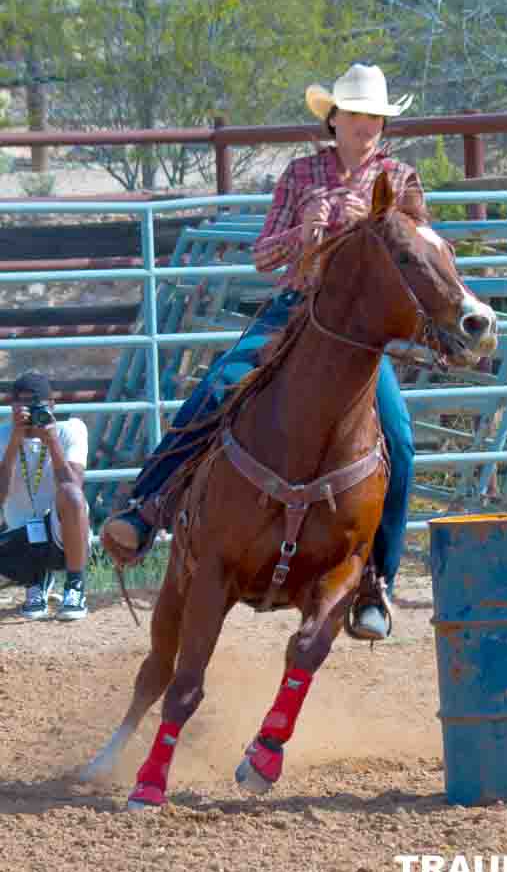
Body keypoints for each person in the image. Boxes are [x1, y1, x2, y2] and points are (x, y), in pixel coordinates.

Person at [103, 63, 423, 640]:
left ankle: (376, 579)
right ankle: (145, 505)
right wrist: (303, 233)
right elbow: (263, 257)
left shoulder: (399, 180)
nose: (368, 126)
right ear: (335, 119)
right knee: (221, 384)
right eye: (358, 114)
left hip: (356, 333)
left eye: (376, 116)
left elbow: (416, 254)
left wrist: (364, 230)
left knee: (397, 438)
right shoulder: (301, 175)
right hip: (293, 312)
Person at [0, 370, 90, 620]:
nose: (28, 409)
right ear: (12, 406)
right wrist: (14, 443)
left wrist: (52, 444)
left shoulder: (69, 430)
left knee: (70, 494)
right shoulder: (3, 436)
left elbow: (75, 489)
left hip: (60, 532)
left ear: (51, 405)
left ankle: (75, 585)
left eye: (35, 402)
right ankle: (35, 581)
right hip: (21, 536)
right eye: (22, 402)